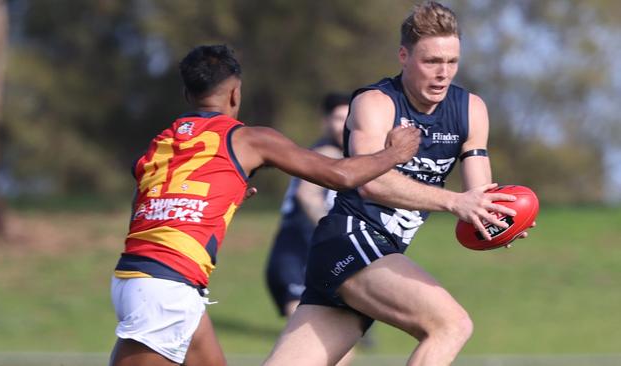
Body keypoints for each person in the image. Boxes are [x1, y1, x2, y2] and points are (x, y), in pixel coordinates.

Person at [109, 45, 421, 366]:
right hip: (167, 288)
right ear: (235, 93)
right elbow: (339, 174)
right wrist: (394, 154)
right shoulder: (248, 139)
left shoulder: (164, 141)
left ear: (187, 94)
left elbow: (146, 203)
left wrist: (219, 198)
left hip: (140, 279)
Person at [263, 2, 534, 366]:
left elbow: (477, 198)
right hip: (350, 241)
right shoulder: (375, 103)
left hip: (379, 254)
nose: (443, 73)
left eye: (452, 62)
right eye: (431, 62)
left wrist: (497, 221)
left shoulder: (471, 109)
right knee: (451, 325)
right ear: (404, 56)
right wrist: (455, 202)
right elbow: (371, 185)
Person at [264, 92, 349, 318]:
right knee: (309, 333)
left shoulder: (341, 155)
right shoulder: (326, 153)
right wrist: (336, 234)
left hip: (314, 253)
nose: (344, 126)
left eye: (349, 119)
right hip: (297, 249)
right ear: (326, 121)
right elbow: (307, 194)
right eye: (339, 119)